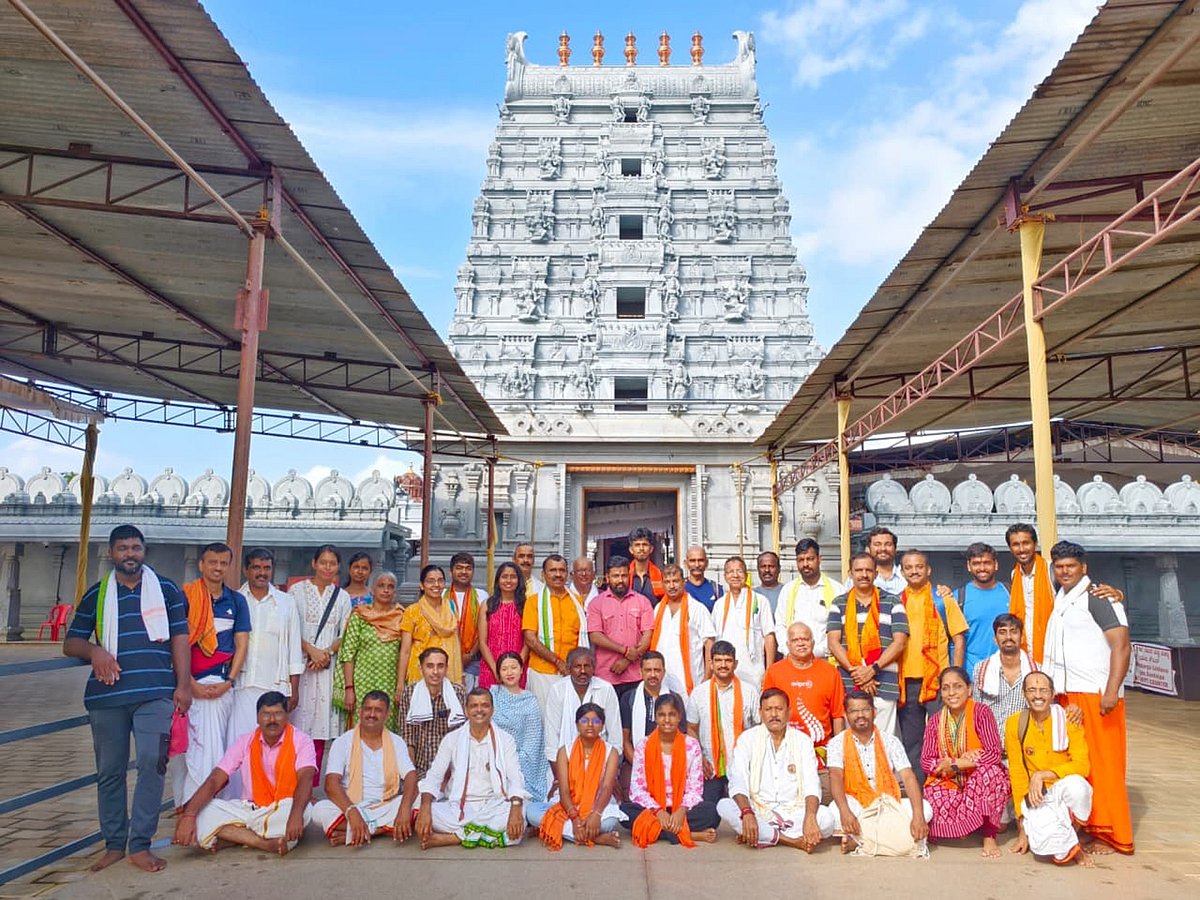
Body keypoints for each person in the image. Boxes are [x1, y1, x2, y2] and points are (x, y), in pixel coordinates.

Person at [64, 524, 191, 874]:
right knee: (110, 771)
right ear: (111, 553)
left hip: (155, 692)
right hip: (107, 697)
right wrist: (95, 652)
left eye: (135, 547)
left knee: (152, 762)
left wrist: (183, 686)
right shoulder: (98, 594)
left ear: (144, 551)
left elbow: (180, 639)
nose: (130, 554)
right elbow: (71, 642)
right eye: (123, 548)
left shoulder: (166, 589)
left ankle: (140, 844)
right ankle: (114, 844)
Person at [1042, 540, 1133, 855]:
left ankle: (1113, 832)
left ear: (1084, 568)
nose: (1065, 571)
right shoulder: (1061, 598)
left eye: (1071, 566)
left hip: (1096, 694)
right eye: (1059, 566)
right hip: (1068, 694)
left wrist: (1111, 690)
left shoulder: (1099, 598)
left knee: (1105, 764)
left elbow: (1122, 645)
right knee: (1081, 764)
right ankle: (1088, 825)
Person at [173, 691, 314, 855]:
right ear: (257, 718)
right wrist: (189, 815)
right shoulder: (244, 741)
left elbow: (306, 779)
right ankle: (263, 842)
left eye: (278, 714)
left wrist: (295, 815)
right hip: (249, 809)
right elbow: (215, 779)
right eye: (266, 714)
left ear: (287, 716)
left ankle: (235, 835)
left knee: (305, 811)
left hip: (282, 808)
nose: (272, 720)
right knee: (201, 811)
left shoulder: (302, 741)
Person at [180, 542, 251, 807]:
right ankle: (192, 806)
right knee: (194, 749)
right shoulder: (186, 597)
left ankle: (207, 806)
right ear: (201, 564)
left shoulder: (237, 600)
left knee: (214, 746)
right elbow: (177, 643)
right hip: (190, 685)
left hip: (221, 684)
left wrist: (229, 681)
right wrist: (189, 683)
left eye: (223, 563)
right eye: (212, 562)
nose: (218, 568)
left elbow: (241, 644)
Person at [718, 688, 833, 850]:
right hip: (759, 809)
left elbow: (811, 783)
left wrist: (810, 816)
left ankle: (760, 834)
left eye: (779, 709)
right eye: (768, 709)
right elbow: (738, 780)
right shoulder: (747, 739)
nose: (773, 714)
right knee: (724, 805)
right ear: (760, 713)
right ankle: (792, 841)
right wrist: (747, 813)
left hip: (794, 810)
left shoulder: (802, 741)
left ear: (789, 712)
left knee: (827, 818)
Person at [415, 688, 529, 848]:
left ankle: (454, 837)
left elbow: (515, 777)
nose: (479, 710)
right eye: (474, 706)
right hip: (459, 806)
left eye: (485, 705)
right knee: (422, 808)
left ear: (492, 710)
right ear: (466, 711)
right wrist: (425, 808)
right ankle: (480, 835)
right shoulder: (452, 739)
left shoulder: (505, 740)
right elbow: (434, 776)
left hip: (493, 804)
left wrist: (516, 808)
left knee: (521, 812)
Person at [1006, 671, 1093, 865]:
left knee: (1078, 787)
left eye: (1043, 690)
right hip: (1037, 796)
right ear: (1024, 694)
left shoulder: (1068, 718)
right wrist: (1022, 830)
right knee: (1049, 849)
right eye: (1032, 690)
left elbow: (1082, 765)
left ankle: (1074, 839)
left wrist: (1042, 775)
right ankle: (1066, 843)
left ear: (1053, 694)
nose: (1038, 695)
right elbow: (1017, 774)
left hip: (1062, 789)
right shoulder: (1015, 723)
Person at [922, 666, 1010, 858]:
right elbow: (926, 760)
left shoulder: (982, 712)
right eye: (946, 688)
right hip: (948, 778)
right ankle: (959, 828)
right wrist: (947, 765)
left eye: (957, 686)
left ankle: (989, 835)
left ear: (969, 689)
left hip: (977, 778)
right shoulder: (935, 721)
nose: (951, 693)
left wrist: (959, 764)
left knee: (991, 773)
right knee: (932, 791)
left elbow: (994, 754)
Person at [827, 689, 930, 852]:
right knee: (834, 811)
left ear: (874, 712)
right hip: (857, 803)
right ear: (846, 715)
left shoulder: (891, 741)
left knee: (925, 809)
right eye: (854, 711)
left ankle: (861, 840)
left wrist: (918, 816)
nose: (860, 715)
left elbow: (908, 777)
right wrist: (845, 812)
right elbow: (835, 776)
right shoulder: (836, 743)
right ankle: (887, 837)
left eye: (865, 710)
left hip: (887, 802)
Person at [1006, 524, 1124, 665]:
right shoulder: (1015, 574)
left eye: (1026, 543)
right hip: (1025, 653)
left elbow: (1081, 588)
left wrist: (1117, 594)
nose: (1021, 549)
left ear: (1035, 544)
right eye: (1016, 544)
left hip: (1054, 651)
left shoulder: (1052, 570)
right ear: (1010, 548)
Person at [311, 691, 419, 845]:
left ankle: (358, 833)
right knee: (319, 810)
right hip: (351, 806)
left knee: (420, 799)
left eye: (378, 710)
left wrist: (404, 808)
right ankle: (379, 829)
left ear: (387, 714)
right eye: (368, 709)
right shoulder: (342, 742)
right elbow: (330, 784)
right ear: (360, 712)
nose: (372, 714)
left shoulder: (396, 741)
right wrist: (352, 812)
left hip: (386, 805)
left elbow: (410, 775)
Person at [896, 549, 966, 779]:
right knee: (912, 742)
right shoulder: (896, 602)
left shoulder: (942, 599)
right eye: (908, 567)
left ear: (928, 570)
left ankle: (945, 787)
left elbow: (958, 638)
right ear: (902, 572)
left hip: (938, 681)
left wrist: (955, 676)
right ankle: (919, 791)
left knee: (944, 737)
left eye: (919, 567)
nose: (914, 571)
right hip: (906, 682)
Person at [827, 552, 909, 736]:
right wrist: (858, 674)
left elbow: (900, 642)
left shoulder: (892, 601)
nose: (864, 574)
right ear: (850, 573)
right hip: (850, 683)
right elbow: (833, 642)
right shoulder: (839, 603)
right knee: (852, 741)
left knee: (883, 740)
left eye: (868, 570)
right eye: (858, 570)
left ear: (876, 573)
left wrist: (873, 669)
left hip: (883, 682)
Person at [621, 694, 719, 845]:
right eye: (662, 715)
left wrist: (681, 811)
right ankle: (689, 834)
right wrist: (658, 811)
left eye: (672, 715)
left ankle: (657, 830)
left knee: (712, 812)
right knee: (624, 813)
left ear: (679, 717)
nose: (667, 720)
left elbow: (695, 789)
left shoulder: (691, 745)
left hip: (681, 808)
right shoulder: (644, 746)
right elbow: (637, 789)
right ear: (655, 717)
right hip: (653, 809)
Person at [290, 544, 352, 785]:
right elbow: (290, 628)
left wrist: (324, 654)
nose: (327, 567)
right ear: (314, 563)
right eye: (323, 562)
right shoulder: (296, 592)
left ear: (338, 567)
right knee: (297, 725)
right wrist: (311, 651)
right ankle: (292, 783)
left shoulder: (342, 597)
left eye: (332, 563)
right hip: (300, 666)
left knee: (319, 729)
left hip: (327, 668)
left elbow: (345, 634)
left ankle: (311, 786)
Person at [228, 548, 303, 743]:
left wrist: (294, 690)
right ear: (246, 570)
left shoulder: (286, 603)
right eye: (256, 567)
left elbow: (294, 649)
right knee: (240, 742)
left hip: (275, 685)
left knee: (272, 743)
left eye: (267, 568)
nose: (262, 573)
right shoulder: (235, 599)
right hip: (241, 685)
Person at [535, 703, 622, 849]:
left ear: (602, 726)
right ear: (577, 725)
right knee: (532, 812)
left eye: (596, 721)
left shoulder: (611, 752)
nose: (590, 725)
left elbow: (607, 787)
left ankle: (569, 832)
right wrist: (575, 819)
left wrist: (596, 814)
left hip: (598, 803)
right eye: (584, 720)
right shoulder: (565, 751)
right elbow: (564, 790)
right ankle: (597, 838)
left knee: (609, 822)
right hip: (569, 805)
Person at [762, 623, 845, 772]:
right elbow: (766, 714)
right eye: (795, 640)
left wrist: (838, 753)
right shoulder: (774, 672)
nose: (801, 643)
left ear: (813, 642)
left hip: (820, 755)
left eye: (805, 639)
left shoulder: (830, 672)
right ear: (787, 645)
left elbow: (838, 715)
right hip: (785, 753)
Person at [686, 641, 758, 802]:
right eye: (718, 660)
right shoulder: (699, 693)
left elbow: (759, 729)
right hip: (710, 768)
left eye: (728, 660)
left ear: (735, 663)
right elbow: (691, 728)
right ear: (711, 664)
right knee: (709, 810)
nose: (723, 665)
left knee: (746, 810)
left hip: (744, 767)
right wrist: (699, 758)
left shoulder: (750, 692)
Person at [334, 571, 403, 730]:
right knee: (361, 727)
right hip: (361, 684)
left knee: (387, 728)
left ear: (395, 591)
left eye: (390, 587)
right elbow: (348, 654)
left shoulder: (401, 617)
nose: (386, 590)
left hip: (390, 683)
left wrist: (400, 686)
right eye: (381, 586)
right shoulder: (360, 615)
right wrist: (349, 689)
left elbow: (404, 653)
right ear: (372, 589)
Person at [488, 652, 548, 823]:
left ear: (522, 670)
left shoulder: (530, 700)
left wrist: (512, 765)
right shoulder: (492, 696)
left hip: (523, 762)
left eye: (514, 667)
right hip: (493, 758)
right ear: (498, 673)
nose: (509, 672)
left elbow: (533, 740)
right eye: (504, 669)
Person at [523, 554, 587, 713]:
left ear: (567, 574)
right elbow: (530, 638)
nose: (558, 574)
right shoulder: (533, 601)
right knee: (545, 718)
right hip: (542, 672)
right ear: (543, 574)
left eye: (562, 570)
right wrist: (557, 662)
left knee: (570, 717)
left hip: (572, 672)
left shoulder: (577, 601)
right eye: (553, 570)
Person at [587, 555, 655, 697]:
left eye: (624, 576)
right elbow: (595, 636)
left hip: (636, 675)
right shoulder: (596, 604)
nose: (620, 580)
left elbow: (647, 635)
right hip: (606, 675)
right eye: (615, 576)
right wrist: (624, 650)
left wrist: (627, 660)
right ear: (607, 578)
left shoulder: (642, 601)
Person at [396, 646, 468, 779]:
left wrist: (449, 774)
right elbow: (407, 737)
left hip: (451, 770)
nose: (435, 671)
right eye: (430, 666)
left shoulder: (458, 692)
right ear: (421, 668)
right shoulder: (410, 693)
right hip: (420, 769)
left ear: (446, 668)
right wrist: (411, 775)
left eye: (440, 666)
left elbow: (461, 736)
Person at [973, 613, 1038, 755]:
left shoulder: (1037, 671)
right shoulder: (981, 670)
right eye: (1002, 632)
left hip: (1026, 753)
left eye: (1013, 631)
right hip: (990, 753)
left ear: (1021, 637)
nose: (1008, 637)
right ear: (995, 639)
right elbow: (975, 714)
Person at [544, 647, 622, 764]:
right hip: (565, 761)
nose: (582, 671)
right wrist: (559, 771)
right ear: (569, 668)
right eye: (577, 666)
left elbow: (615, 734)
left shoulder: (605, 689)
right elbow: (552, 736)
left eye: (587, 666)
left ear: (593, 668)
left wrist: (609, 767)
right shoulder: (557, 690)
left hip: (600, 760)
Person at [648, 564, 715, 696]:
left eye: (675, 581)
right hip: (662, 681)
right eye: (667, 582)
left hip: (690, 682)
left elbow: (709, 643)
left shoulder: (697, 609)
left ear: (683, 582)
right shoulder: (659, 609)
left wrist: (707, 678)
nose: (671, 586)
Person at [711, 556, 776, 691]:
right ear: (725, 576)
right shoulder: (719, 604)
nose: (735, 575)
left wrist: (769, 669)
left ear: (746, 575)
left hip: (753, 670)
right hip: (725, 669)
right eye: (731, 572)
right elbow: (714, 640)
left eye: (739, 571)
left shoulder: (760, 601)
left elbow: (769, 636)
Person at [950, 542, 1012, 678]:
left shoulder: (1010, 592)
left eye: (987, 563)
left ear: (995, 565)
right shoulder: (958, 598)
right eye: (976, 563)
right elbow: (955, 642)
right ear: (969, 566)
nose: (982, 568)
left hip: (1007, 674)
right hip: (973, 675)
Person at [774, 538, 840, 659]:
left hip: (825, 659)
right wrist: (788, 651)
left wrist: (815, 652)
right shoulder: (788, 590)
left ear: (819, 559)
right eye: (801, 560)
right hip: (793, 659)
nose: (805, 564)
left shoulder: (837, 590)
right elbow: (780, 625)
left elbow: (838, 628)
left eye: (810, 559)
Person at [398, 564, 463, 686]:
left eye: (440, 580)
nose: (436, 585)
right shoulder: (412, 611)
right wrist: (400, 684)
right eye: (430, 581)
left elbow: (457, 643)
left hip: (448, 670)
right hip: (420, 672)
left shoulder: (451, 607)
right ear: (422, 585)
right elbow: (405, 651)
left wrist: (461, 675)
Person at [620, 652, 684, 770]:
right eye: (648, 670)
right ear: (641, 672)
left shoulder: (675, 699)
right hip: (636, 762)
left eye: (657, 670)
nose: (653, 674)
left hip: (670, 763)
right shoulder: (629, 698)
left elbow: (682, 736)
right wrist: (640, 767)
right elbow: (625, 740)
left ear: (664, 672)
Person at [477, 561, 529, 690]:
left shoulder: (526, 606)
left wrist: (516, 668)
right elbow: (482, 642)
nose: (508, 581)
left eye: (513, 577)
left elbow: (528, 642)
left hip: (518, 669)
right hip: (490, 667)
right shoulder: (487, 605)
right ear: (498, 580)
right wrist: (496, 670)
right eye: (504, 577)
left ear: (519, 580)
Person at [446, 551, 483, 690]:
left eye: (468, 568)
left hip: (473, 660)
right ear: (451, 572)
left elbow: (484, 630)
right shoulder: (442, 596)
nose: (463, 572)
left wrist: (470, 654)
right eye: (459, 568)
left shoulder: (481, 596)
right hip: (446, 658)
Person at [628, 526, 665, 603]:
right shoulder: (625, 576)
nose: (641, 548)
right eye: (637, 545)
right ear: (631, 549)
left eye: (644, 544)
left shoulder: (661, 576)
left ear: (651, 549)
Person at [865, 527, 906, 595]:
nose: (883, 549)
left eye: (888, 544)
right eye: (877, 544)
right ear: (868, 549)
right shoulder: (859, 576)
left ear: (895, 549)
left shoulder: (908, 575)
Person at [683, 544, 723, 612]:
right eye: (692, 561)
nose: (697, 565)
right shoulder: (680, 588)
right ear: (686, 563)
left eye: (700, 560)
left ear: (706, 563)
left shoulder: (716, 589)